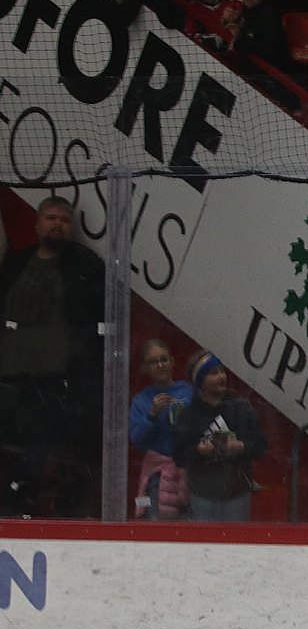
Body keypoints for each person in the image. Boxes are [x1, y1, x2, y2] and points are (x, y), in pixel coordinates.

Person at [0, 196, 105, 519]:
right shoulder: (15, 264)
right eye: (50, 217)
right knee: (11, 459)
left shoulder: (85, 267)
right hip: (11, 383)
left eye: (64, 219)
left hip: (59, 385)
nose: (57, 223)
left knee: (51, 459)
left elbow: (97, 326)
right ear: (37, 222)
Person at [173, 350, 266, 522]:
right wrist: (199, 451)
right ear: (200, 381)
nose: (222, 376)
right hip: (202, 495)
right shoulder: (189, 416)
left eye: (222, 371)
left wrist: (240, 447)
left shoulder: (241, 408)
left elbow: (260, 445)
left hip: (237, 495)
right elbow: (179, 455)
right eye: (214, 373)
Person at [128, 339, 193, 520]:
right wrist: (151, 414)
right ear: (144, 368)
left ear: (172, 361)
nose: (160, 365)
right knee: (156, 528)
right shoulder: (141, 400)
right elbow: (138, 442)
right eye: (153, 362)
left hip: (188, 473)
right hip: (157, 475)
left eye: (163, 359)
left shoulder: (188, 392)